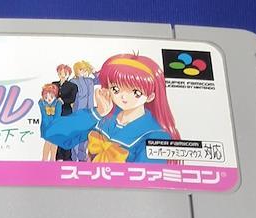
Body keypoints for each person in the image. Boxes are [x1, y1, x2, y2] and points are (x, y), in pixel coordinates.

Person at [43, 54, 179, 163]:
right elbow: (52, 133)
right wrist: (97, 113)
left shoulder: (156, 134)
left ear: (150, 96)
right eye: (116, 89)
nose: (123, 97)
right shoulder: (104, 116)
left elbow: (145, 181)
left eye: (136, 92)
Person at [70, 60, 97, 161]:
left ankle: (82, 158)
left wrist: (93, 70)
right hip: (77, 112)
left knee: (85, 136)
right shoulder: (73, 81)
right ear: (76, 70)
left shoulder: (90, 81)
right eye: (81, 69)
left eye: (85, 70)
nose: (83, 72)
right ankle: (74, 157)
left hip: (89, 113)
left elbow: (99, 79)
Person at [51, 64, 78, 160]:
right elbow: (50, 96)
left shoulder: (72, 86)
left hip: (66, 112)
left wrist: (63, 100)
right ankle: (58, 156)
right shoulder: (53, 84)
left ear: (68, 74)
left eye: (65, 73)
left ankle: (67, 157)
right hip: (55, 112)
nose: (62, 75)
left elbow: (72, 98)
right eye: (60, 73)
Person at [37, 83, 62, 161]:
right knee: (48, 141)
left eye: (51, 96)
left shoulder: (57, 103)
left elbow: (57, 116)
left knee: (55, 142)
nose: (49, 99)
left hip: (55, 125)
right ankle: (44, 159)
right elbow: (44, 116)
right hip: (46, 125)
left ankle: (52, 159)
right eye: (46, 97)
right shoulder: (42, 103)